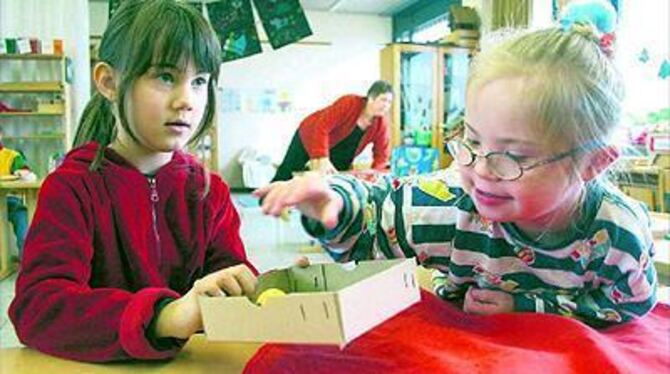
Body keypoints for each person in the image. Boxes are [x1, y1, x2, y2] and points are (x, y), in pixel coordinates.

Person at [256, 19, 658, 326]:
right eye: (472, 140)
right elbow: (376, 219)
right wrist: (337, 203)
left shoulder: (618, 235)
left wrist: (532, 307)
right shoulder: (449, 203)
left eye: (512, 157)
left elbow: (627, 308)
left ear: (593, 163)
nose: (480, 170)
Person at [9, 0, 257, 362]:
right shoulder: (72, 187)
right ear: (109, 82)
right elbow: (38, 308)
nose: (186, 100)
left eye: (200, 81)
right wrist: (163, 316)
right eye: (165, 76)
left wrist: (262, 292)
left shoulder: (209, 191)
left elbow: (227, 279)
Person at [271, 80, 393, 182]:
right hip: (310, 135)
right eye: (383, 100)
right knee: (289, 170)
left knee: (337, 182)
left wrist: (376, 174)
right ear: (371, 98)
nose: (386, 105)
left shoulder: (381, 124)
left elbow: (382, 154)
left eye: (389, 102)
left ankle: (321, 209)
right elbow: (322, 126)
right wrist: (321, 157)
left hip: (341, 150)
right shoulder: (349, 103)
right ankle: (267, 197)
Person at [0, 125, 37, 260]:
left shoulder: (12, 156)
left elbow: (29, 174)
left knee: (23, 223)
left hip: (11, 201)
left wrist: (22, 173)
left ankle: (28, 262)